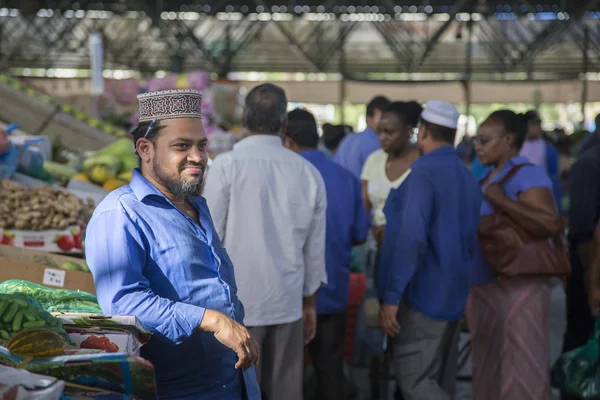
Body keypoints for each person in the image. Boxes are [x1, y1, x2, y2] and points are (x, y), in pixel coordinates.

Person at [84, 89, 260, 400]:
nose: (198, 156)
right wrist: (211, 320)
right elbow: (123, 303)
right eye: (181, 146)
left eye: (201, 145)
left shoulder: (196, 204)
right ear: (145, 148)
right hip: (177, 391)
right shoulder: (120, 213)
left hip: (231, 382)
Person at [204, 84, 327, 400]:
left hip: (236, 310)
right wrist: (310, 304)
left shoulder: (226, 167)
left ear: (244, 118)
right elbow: (314, 250)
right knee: (285, 392)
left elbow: (208, 239)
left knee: (238, 390)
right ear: (284, 124)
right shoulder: (308, 173)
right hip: (287, 303)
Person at [377, 100, 481, 399]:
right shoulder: (466, 175)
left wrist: (393, 298)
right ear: (454, 136)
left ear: (422, 132)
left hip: (423, 296)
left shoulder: (422, 173)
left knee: (416, 382)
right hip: (453, 294)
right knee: (439, 378)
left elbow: (412, 239)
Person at [467, 110, 561, 400]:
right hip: (488, 286)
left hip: (520, 286)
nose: (478, 147)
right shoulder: (486, 178)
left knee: (523, 364)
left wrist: (502, 201)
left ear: (508, 140)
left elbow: (549, 223)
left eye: (484, 140)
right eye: (476, 140)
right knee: (489, 364)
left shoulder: (528, 173)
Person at [283, 108, 370, 400]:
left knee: (285, 374)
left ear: (287, 139)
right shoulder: (346, 178)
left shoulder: (282, 176)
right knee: (330, 369)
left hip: (287, 293)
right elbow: (359, 234)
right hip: (331, 289)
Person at [563, 142, 600, 400]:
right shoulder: (590, 163)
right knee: (581, 340)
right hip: (588, 271)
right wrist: (592, 284)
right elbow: (585, 231)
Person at [361, 101, 422, 252]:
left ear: (408, 130)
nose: (382, 137)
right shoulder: (374, 160)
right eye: (379, 132)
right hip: (377, 245)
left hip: (410, 247)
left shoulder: (422, 163)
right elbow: (364, 205)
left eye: (389, 132)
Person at [334, 95, 391, 178]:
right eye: (382, 117)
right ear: (368, 118)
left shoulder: (349, 139)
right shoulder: (377, 144)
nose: (387, 121)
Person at [519, 110, 563, 213]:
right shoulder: (516, 147)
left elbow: (553, 176)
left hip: (543, 194)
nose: (539, 127)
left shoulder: (548, 148)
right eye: (535, 124)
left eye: (539, 124)